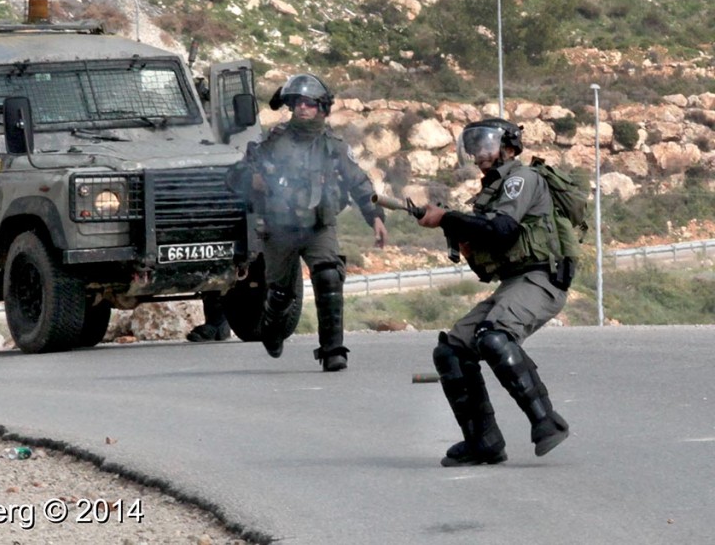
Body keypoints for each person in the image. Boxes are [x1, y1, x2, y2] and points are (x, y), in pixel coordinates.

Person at [417, 118, 570, 466]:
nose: (479, 154)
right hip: (513, 283)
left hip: (542, 278)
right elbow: (486, 264)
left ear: (509, 147)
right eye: (474, 146)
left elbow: (501, 230)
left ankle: (547, 421)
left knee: (494, 337)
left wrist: (447, 219)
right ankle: (482, 441)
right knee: (452, 351)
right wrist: (454, 229)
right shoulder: (488, 196)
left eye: (486, 145)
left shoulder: (521, 179)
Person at [226, 74, 388, 371]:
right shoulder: (271, 142)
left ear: (322, 109)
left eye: (310, 104)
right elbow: (235, 175)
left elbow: (360, 184)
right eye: (298, 103)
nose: (302, 109)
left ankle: (333, 350)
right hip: (280, 229)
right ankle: (271, 329)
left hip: (318, 226)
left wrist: (376, 217)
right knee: (280, 294)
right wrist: (254, 180)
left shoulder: (334, 147)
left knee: (328, 276)